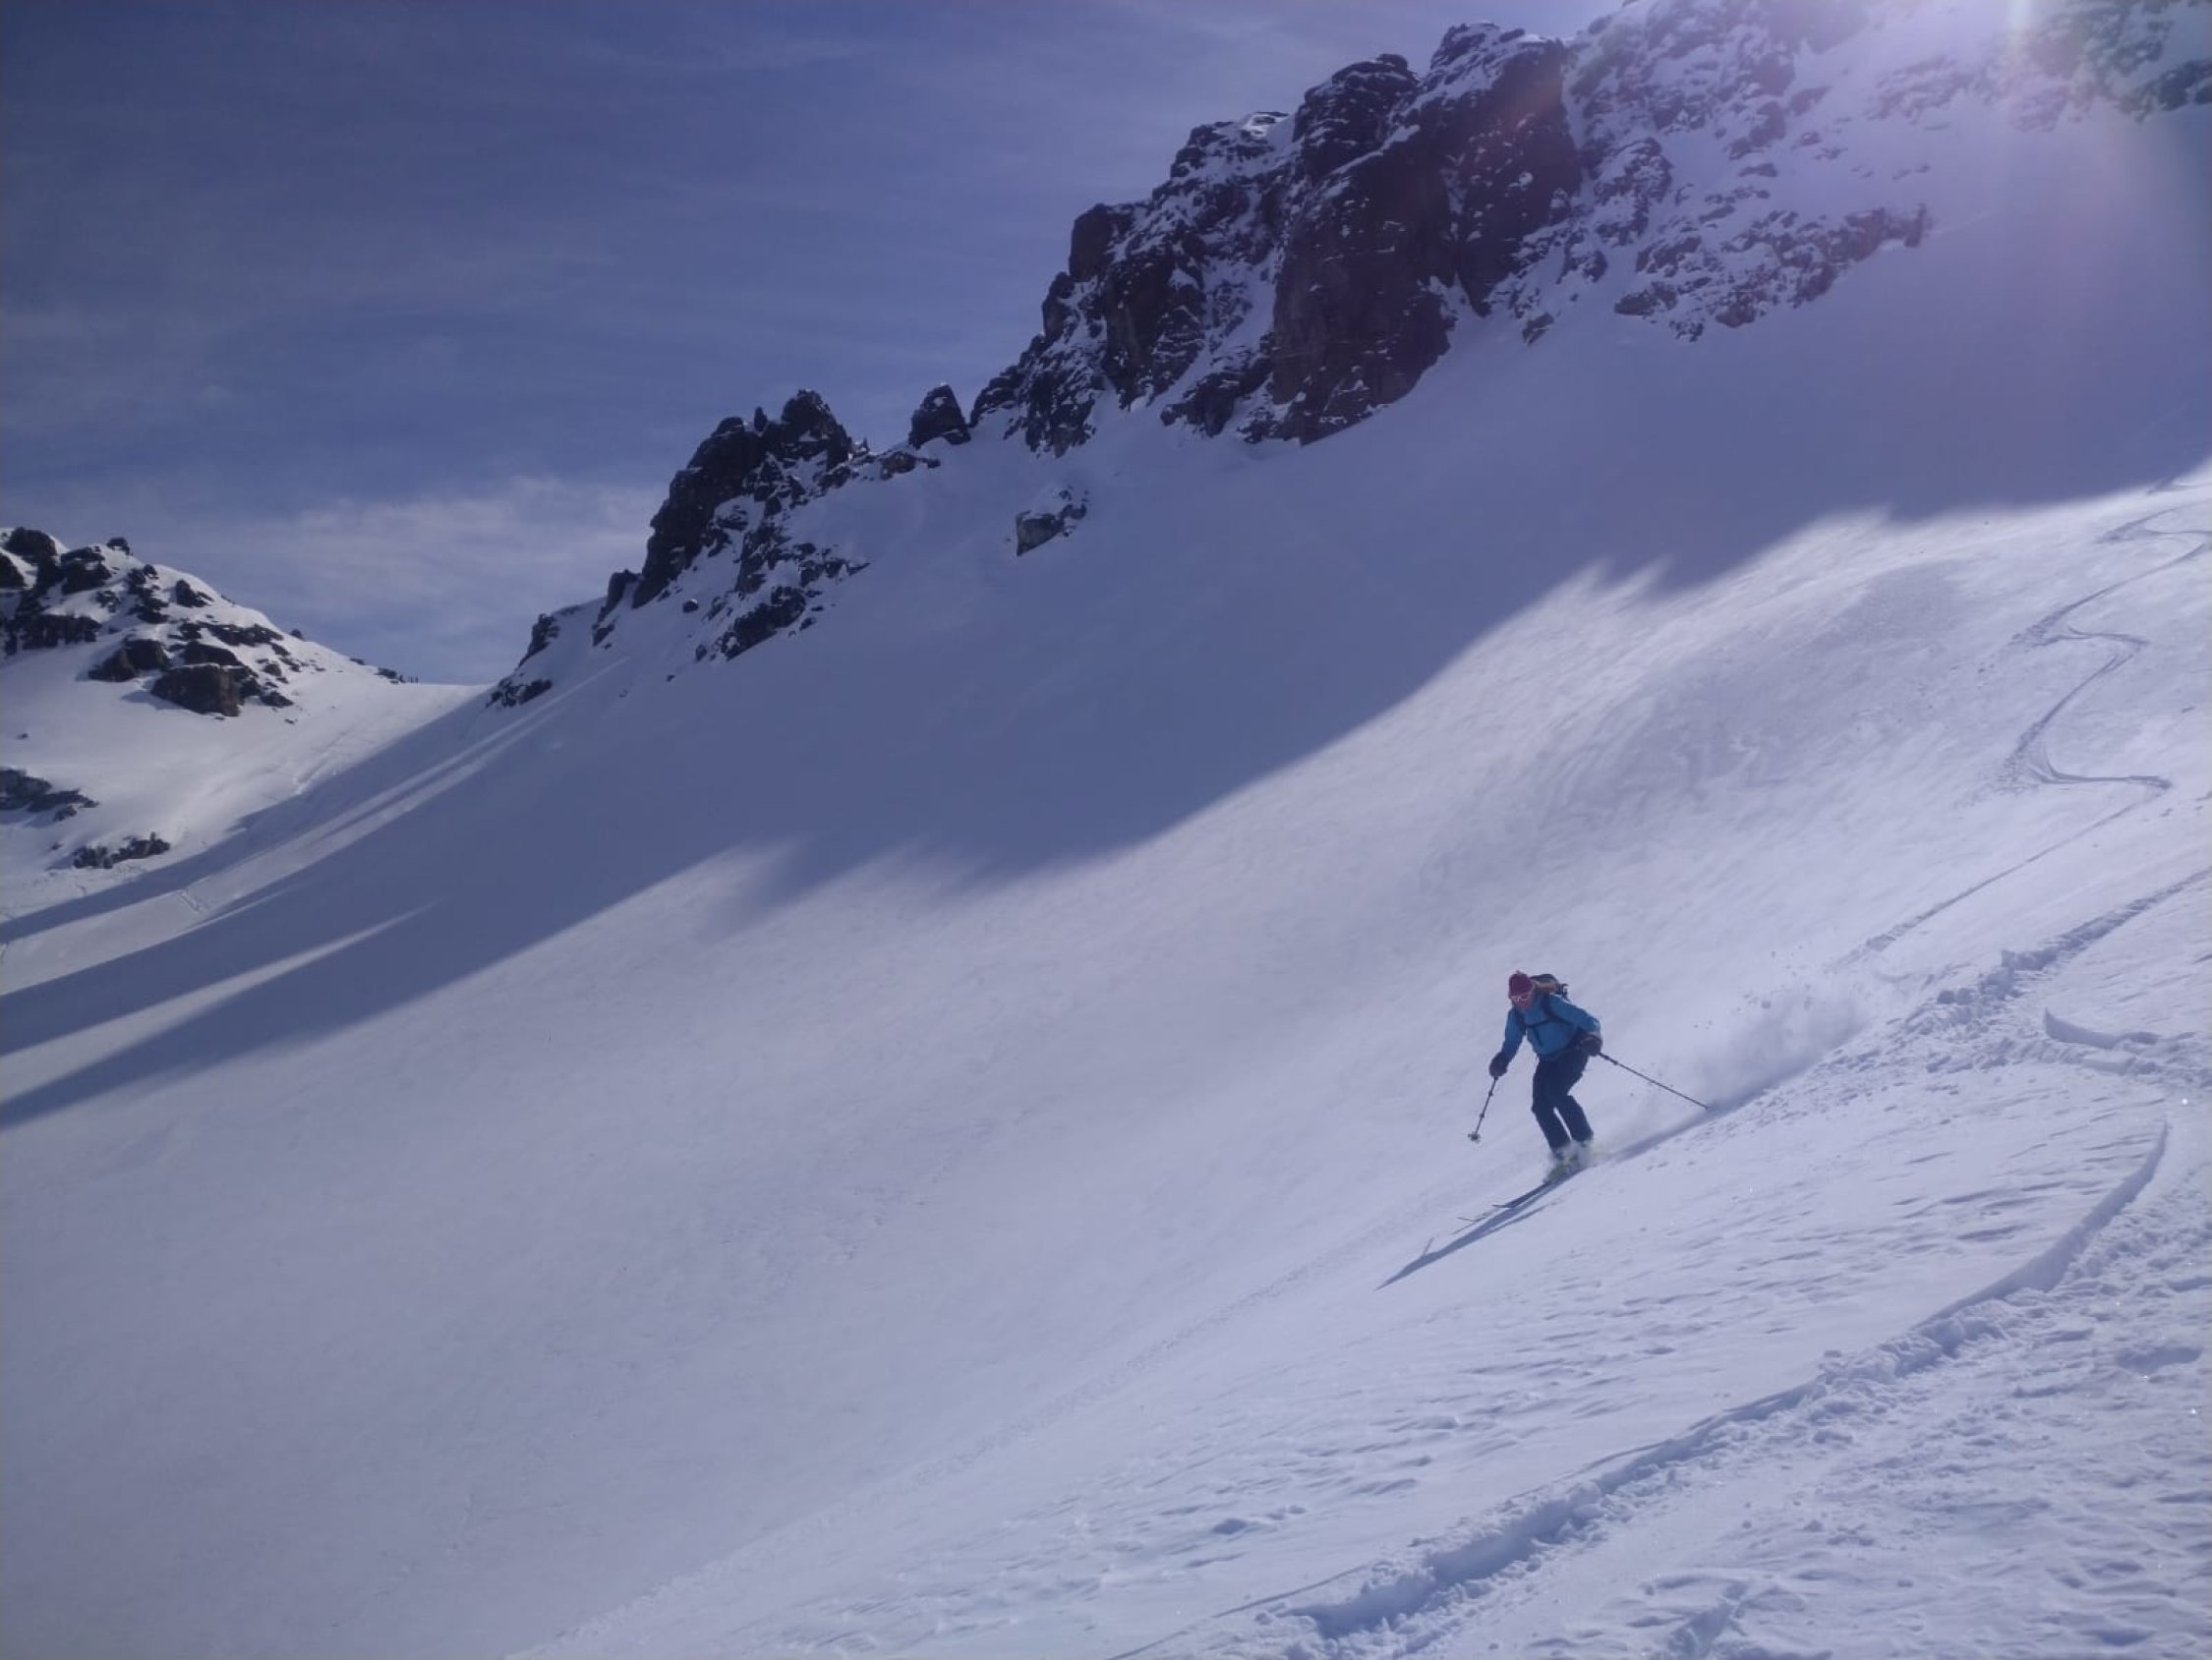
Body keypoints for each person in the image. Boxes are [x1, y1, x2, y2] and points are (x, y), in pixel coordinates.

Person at [1488, 971, 1603, 1173]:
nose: (1521, 1002)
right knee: (1540, 1106)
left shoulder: (1551, 1002)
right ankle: (1564, 1154)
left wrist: (1593, 1038)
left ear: (1533, 990)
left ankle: (1585, 1142)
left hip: (1573, 1050)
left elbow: (1588, 1020)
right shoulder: (1516, 1015)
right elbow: (1512, 1042)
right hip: (1548, 1059)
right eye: (1515, 999)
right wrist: (1502, 1059)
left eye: (1524, 996)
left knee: (1556, 1092)